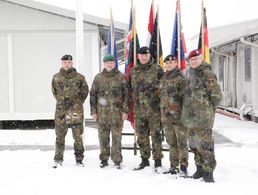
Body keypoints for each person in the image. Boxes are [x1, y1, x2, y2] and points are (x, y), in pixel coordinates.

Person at [181, 49, 222, 182]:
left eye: (196, 59)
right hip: (190, 119)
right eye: (191, 60)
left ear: (201, 59)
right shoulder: (190, 75)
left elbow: (216, 96)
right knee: (194, 145)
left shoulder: (208, 75)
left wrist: (208, 111)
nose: (193, 62)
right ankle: (200, 169)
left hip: (203, 119)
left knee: (205, 146)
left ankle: (209, 173)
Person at [90, 54, 129, 169]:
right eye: (108, 63)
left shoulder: (121, 77)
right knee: (103, 137)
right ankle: (104, 159)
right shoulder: (98, 78)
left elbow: (126, 95)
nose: (110, 64)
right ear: (104, 64)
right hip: (102, 114)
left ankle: (117, 159)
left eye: (112, 62)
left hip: (117, 114)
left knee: (117, 137)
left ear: (115, 63)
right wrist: (93, 111)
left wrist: (125, 111)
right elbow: (93, 95)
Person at [129, 46, 164, 172]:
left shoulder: (157, 70)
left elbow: (164, 89)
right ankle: (144, 160)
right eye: (141, 55)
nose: (144, 57)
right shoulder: (134, 71)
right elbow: (130, 89)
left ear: (149, 56)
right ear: (138, 56)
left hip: (154, 111)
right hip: (139, 110)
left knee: (156, 136)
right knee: (142, 136)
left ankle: (158, 162)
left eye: (146, 55)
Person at [51, 54, 89, 168]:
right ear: (61, 63)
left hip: (75, 112)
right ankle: (58, 159)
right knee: (60, 137)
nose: (67, 64)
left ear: (72, 63)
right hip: (61, 112)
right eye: (64, 62)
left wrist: (77, 103)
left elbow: (84, 92)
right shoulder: (56, 77)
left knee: (77, 137)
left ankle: (79, 159)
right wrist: (63, 102)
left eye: (69, 62)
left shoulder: (79, 77)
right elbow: (55, 92)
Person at [160, 54, 188, 176]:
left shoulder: (181, 78)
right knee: (171, 143)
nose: (169, 64)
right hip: (167, 118)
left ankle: (183, 167)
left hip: (179, 118)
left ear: (176, 64)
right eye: (167, 63)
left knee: (181, 143)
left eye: (172, 62)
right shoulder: (163, 78)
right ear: (164, 64)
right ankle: (173, 166)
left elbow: (187, 99)